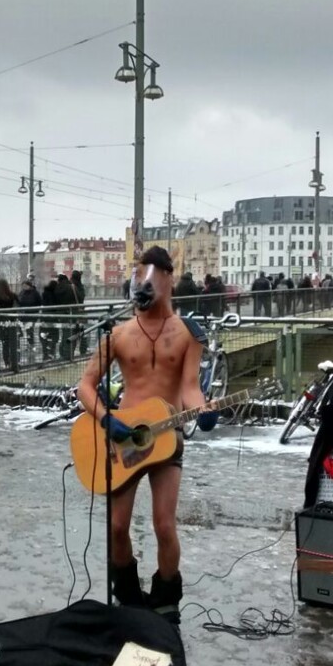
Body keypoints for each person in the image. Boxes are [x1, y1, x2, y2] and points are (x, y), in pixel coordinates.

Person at [77, 246, 217, 623]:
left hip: (168, 436)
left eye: (153, 277)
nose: (146, 286)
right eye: (140, 278)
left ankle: (166, 600)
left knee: (164, 524)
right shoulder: (119, 334)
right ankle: (126, 594)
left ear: (170, 279)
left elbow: (189, 386)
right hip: (125, 439)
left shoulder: (188, 333)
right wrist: (107, 419)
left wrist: (201, 408)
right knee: (117, 526)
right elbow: (85, 386)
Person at [0, 279, 19, 370]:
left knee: (5, 344)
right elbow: (19, 306)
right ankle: (15, 362)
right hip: (12, 322)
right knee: (13, 343)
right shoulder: (13, 296)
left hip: (2, 323)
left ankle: (7, 362)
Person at [54, 273, 78, 359]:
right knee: (72, 334)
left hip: (60, 314)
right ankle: (69, 354)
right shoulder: (72, 287)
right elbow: (78, 298)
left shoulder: (56, 288)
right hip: (71, 314)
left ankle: (62, 353)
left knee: (64, 334)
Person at [17, 275, 42, 350]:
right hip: (23, 315)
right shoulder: (22, 293)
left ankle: (31, 345)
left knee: (29, 331)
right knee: (21, 330)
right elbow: (18, 301)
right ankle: (25, 345)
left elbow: (39, 302)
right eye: (23, 286)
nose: (24, 287)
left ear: (29, 286)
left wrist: (35, 311)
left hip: (31, 315)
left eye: (25, 286)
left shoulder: (35, 293)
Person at [40, 279, 59, 360]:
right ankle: (51, 353)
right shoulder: (55, 295)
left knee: (44, 336)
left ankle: (45, 354)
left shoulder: (44, 293)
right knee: (53, 336)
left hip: (44, 317)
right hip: (53, 318)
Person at [70, 269, 88, 357]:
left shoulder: (71, 286)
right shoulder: (81, 287)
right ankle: (83, 352)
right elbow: (82, 298)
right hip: (81, 313)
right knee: (83, 333)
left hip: (72, 313)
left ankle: (71, 353)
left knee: (72, 334)